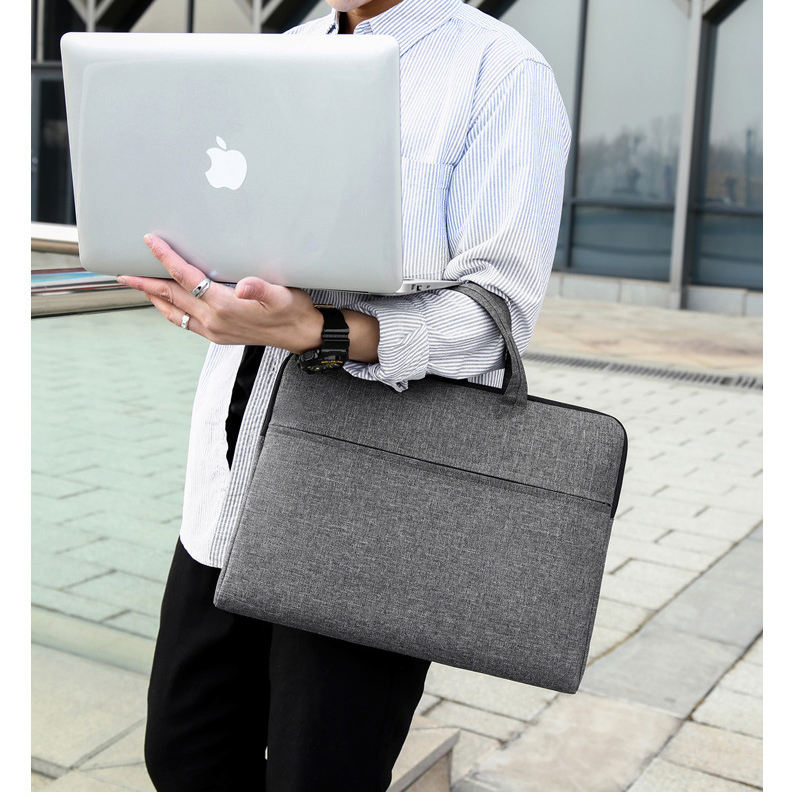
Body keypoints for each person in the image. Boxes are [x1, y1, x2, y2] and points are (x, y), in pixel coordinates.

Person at [126, 0, 570, 791]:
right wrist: (203, 289)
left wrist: (324, 329)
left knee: (321, 774)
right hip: (226, 492)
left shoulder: (501, 73)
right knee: (184, 756)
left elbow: (496, 320)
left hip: (365, 516)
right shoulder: (282, 54)